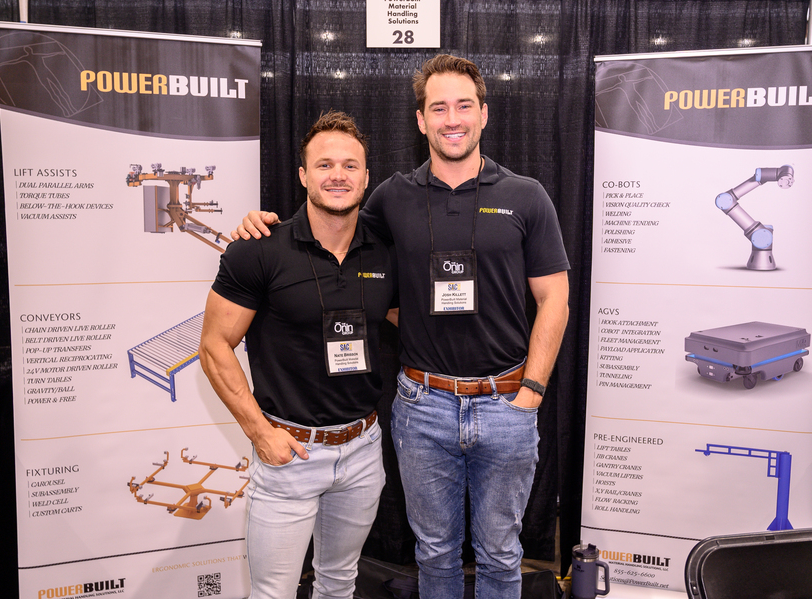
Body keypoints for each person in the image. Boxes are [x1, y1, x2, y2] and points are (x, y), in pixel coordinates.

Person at [234, 54, 569, 599]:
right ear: (420, 120)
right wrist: (264, 225)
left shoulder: (526, 196)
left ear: (484, 113)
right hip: (422, 407)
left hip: (506, 403)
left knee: (501, 554)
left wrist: (531, 390)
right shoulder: (391, 197)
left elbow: (555, 297)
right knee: (433, 553)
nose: (452, 119)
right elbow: (335, 238)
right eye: (438, 108)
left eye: (464, 106)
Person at [199, 110, 397, 599]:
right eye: (324, 165)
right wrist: (260, 434)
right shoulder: (259, 250)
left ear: (366, 178)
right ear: (304, 175)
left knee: (340, 583)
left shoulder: (386, 251)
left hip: (362, 450)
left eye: (350, 166)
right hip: (289, 454)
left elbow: (416, 323)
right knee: (273, 592)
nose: (338, 175)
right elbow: (214, 346)